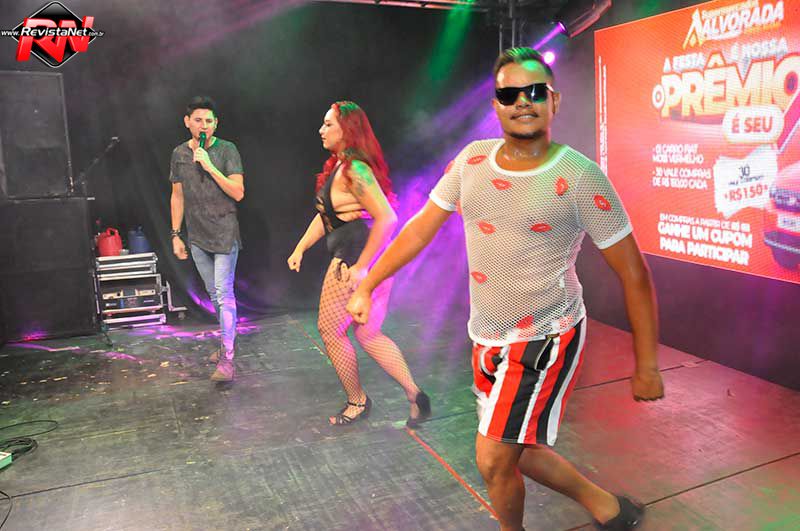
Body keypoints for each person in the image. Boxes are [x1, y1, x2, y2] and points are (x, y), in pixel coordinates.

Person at [347, 48, 664, 530]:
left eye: (535, 91)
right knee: (520, 449)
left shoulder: (580, 178)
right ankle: (609, 507)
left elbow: (634, 273)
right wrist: (368, 282)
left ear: (554, 101)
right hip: (486, 336)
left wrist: (647, 366)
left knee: (494, 457)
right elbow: (420, 228)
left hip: (545, 335)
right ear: (495, 105)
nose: (523, 101)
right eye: (510, 93)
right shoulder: (472, 161)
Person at [288, 101, 430, 426]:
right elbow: (327, 216)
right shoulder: (342, 168)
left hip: (353, 261)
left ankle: (357, 401)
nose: (321, 130)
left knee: (330, 330)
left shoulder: (354, 170)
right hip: (371, 261)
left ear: (347, 130)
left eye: (328, 124)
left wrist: (362, 266)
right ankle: (414, 394)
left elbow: (387, 218)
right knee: (368, 334)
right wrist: (300, 247)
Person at [170, 96, 245, 382]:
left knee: (224, 294)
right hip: (197, 234)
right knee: (214, 295)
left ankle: (227, 361)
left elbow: (238, 192)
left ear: (216, 124)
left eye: (209, 121)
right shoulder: (179, 153)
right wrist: (176, 234)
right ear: (187, 122)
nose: (204, 126)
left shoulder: (227, 150)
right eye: (199, 120)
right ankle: (228, 341)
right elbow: (177, 196)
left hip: (224, 231)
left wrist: (210, 166)